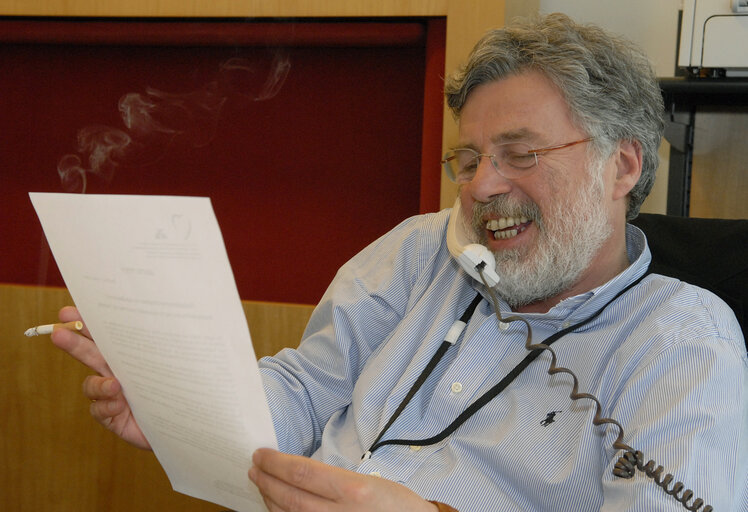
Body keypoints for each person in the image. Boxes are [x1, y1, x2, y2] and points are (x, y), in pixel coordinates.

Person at [52, 13, 747, 512]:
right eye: (468, 160)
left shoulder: (683, 342)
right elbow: (305, 388)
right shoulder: (423, 250)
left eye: (520, 154)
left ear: (620, 165)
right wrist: (183, 405)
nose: (479, 186)